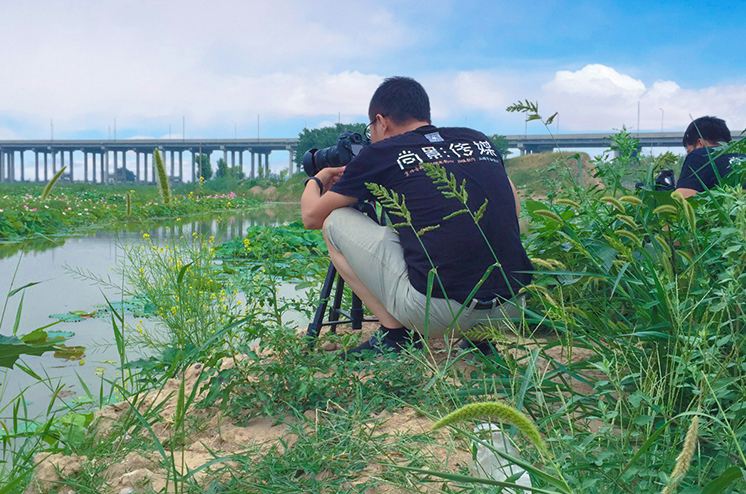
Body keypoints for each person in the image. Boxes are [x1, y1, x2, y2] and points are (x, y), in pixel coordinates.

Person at [301, 76, 533, 357]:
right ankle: (479, 341)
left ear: (381, 121)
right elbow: (514, 208)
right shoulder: (477, 140)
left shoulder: (381, 153)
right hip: (511, 307)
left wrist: (317, 179)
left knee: (333, 221)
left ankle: (394, 335)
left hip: (438, 315)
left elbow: (311, 217)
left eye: (370, 129)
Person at [676, 116, 746, 198]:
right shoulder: (743, 157)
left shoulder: (699, 155)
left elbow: (682, 201)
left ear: (700, 143)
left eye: (689, 151)